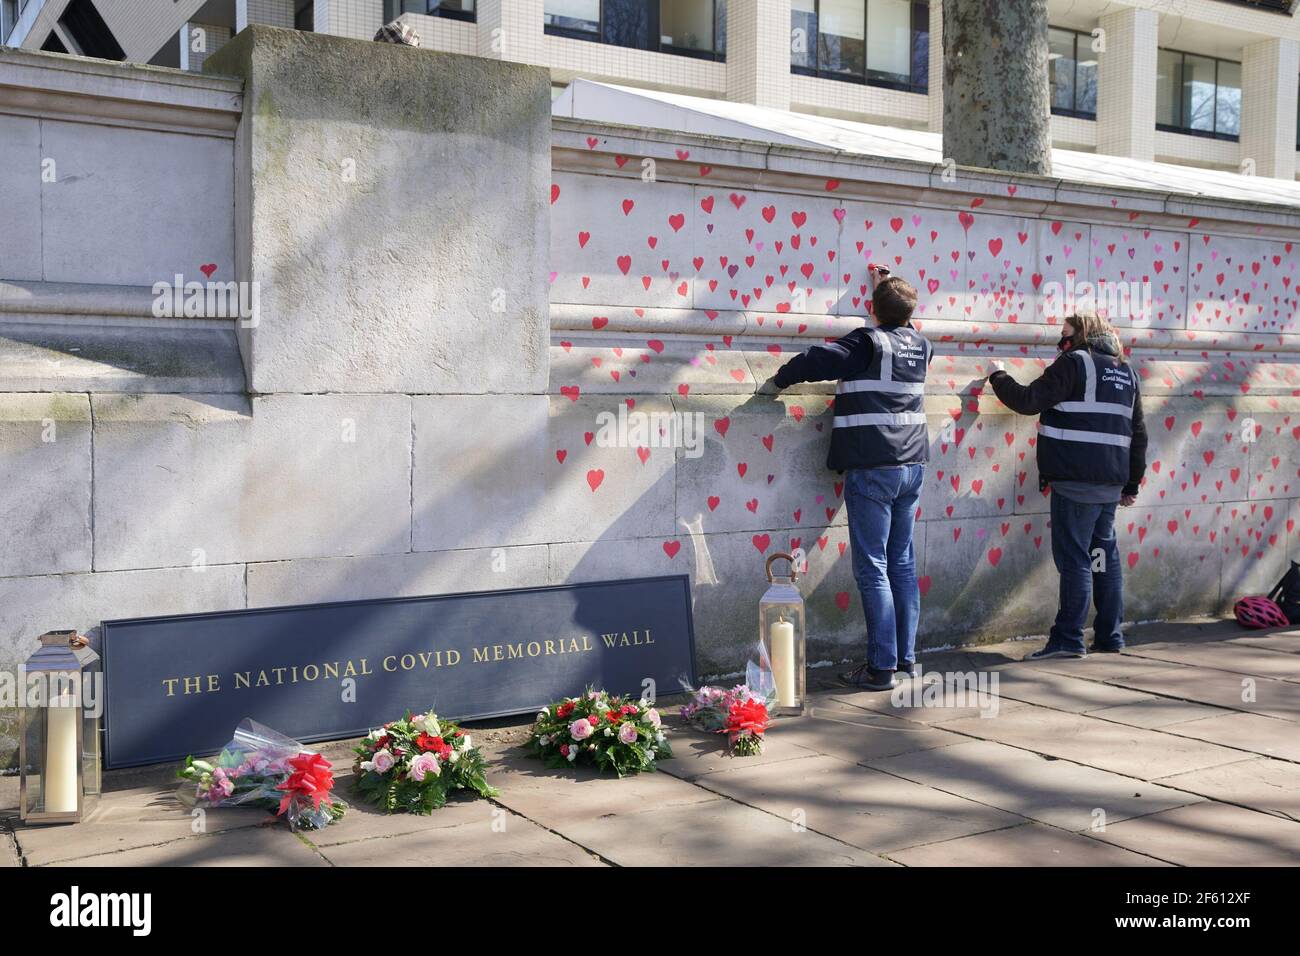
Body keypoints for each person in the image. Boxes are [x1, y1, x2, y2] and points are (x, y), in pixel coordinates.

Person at [770, 267, 932, 690]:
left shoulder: (866, 341)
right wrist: (889, 287)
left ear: (872, 310)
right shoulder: (921, 344)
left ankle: (881, 669)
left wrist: (780, 378)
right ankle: (905, 659)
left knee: (873, 568)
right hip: (912, 467)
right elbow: (901, 320)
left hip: (875, 466)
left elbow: (819, 360)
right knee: (902, 564)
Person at [988, 313, 1147, 659]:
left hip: (1076, 485)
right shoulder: (1127, 373)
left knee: (1075, 559)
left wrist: (997, 375)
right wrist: (1131, 483)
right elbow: (1138, 435)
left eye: (1064, 338)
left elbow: (1028, 401)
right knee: (1102, 557)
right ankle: (1109, 635)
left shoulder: (1074, 363)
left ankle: (1068, 639)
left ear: (1082, 337)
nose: (1060, 345)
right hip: (1109, 486)